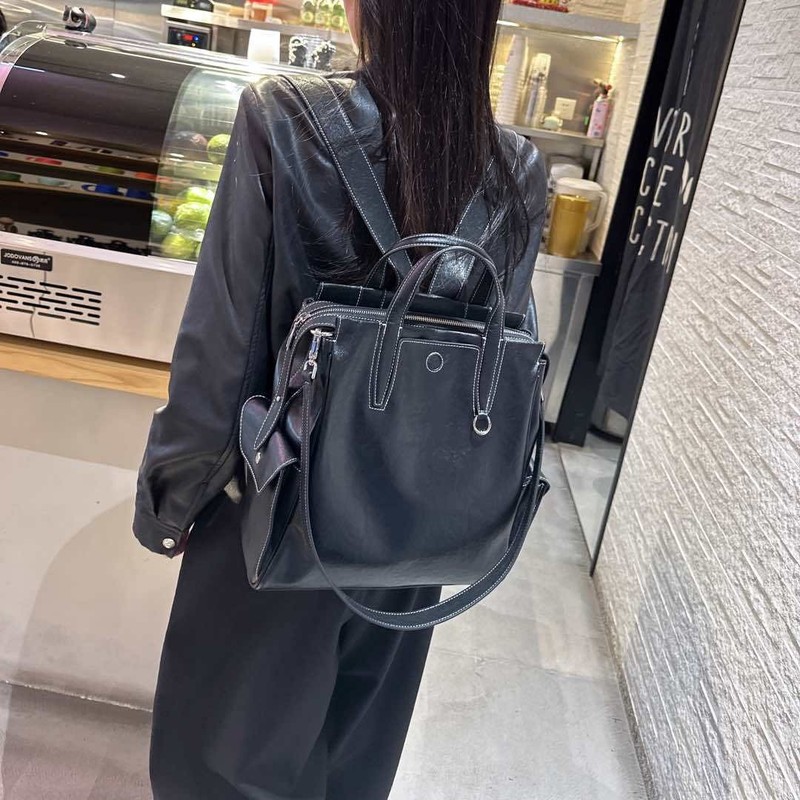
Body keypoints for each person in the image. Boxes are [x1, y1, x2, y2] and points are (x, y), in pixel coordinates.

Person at [134, 1, 547, 797]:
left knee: (223, 770)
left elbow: (223, 355)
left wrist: (170, 501)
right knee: (352, 770)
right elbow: (497, 368)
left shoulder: (282, 119)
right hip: (413, 535)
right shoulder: (517, 170)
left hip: (270, 519)